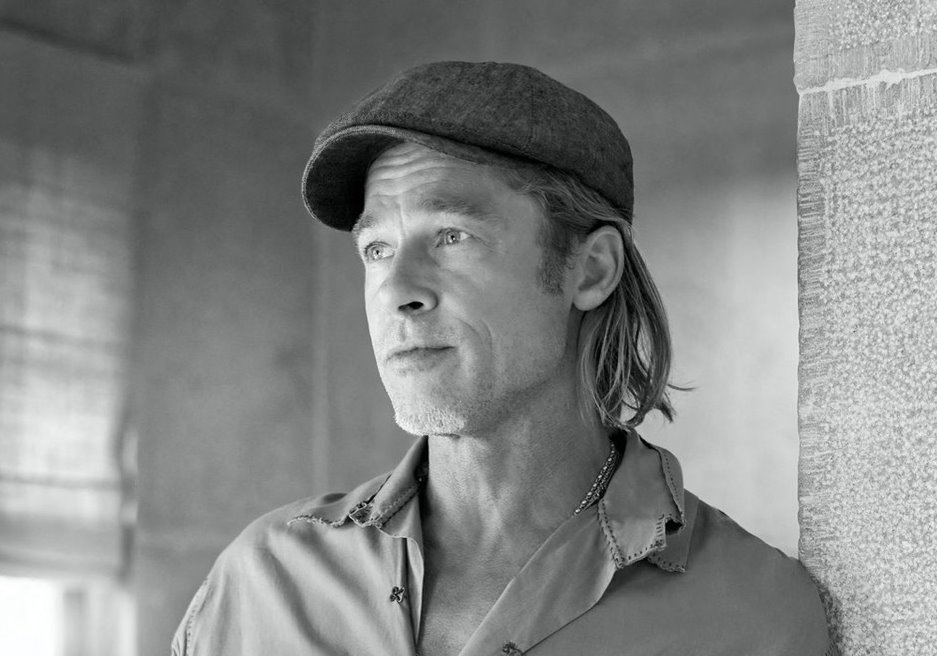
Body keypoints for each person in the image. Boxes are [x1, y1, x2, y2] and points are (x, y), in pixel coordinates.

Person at [172, 61, 837, 656]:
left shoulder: (752, 615)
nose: (397, 290)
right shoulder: (262, 582)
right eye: (377, 249)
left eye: (451, 236)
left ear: (590, 270)